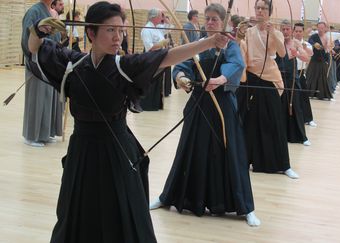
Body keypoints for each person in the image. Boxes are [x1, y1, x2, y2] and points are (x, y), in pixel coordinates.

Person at [26, 1, 229, 242]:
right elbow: (35, 49)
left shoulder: (124, 66)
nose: (117, 37)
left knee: (122, 212)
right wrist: (37, 31)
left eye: (121, 31)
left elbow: (166, 57)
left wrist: (210, 41)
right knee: (77, 210)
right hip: (82, 151)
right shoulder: (73, 64)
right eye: (111, 30)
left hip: (116, 150)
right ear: (91, 32)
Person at [149, 3, 260, 227]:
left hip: (222, 107)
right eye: (207, 18)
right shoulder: (198, 44)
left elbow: (237, 64)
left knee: (232, 153)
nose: (210, 23)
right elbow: (182, 64)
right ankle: (167, 196)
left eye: (214, 20)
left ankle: (246, 208)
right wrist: (180, 77)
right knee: (189, 149)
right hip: (199, 104)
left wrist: (220, 79)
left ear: (223, 22)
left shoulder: (229, 43)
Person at [238, 0, 298, 178]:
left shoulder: (276, 32)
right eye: (258, 8)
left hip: (270, 79)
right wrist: (239, 37)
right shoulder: (248, 31)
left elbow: (282, 53)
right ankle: (243, 160)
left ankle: (283, 164)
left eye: (264, 8)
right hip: (252, 78)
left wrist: (273, 33)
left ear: (269, 12)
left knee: (274, 121)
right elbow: (243, 52)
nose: (260, 11)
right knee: (249, 121)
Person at [21, 0, 63, 147]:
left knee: (49, 97)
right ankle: (31, 136)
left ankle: (45, 134)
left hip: (50, 61)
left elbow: (57, 37)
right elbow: (28, 38)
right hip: (37, 61)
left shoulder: (51, 12)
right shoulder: (34, 12)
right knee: (37, 97)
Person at [275, 20, 311, 146]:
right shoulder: (276, 41)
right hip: (277, 78)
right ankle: (279, 134)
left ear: (291, 30)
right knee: (278, 107)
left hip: (292, 79)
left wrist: (297, 54)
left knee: (295, 106)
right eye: (283, 29)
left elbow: (306, 57)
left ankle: (301, 136)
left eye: (287, 29)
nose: (285, 32)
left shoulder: (295, 42)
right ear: (280, 30)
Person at [140, 8, 169, 110]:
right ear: (154, 17)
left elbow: (169, 28)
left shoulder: (157, 27)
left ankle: (155, 104)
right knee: (151, 82)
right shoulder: (147, 29)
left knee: (158, 82)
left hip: (159, 58)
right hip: (151, 59)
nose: (162, 18)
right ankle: (148, 105)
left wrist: (165, 19)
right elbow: (149, 47)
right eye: (160, 16)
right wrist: (161, 44)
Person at [292, 22, 316, 127]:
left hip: (300, 72)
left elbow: (311, 54)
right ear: (293, 32)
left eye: (300, 31)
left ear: (303, 32)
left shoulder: (306, 44)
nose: (298, 33)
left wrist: (304, 48)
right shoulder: (289, 42)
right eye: (296, 31)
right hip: (290, 73)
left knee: (304, 96)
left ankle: (308, 118)